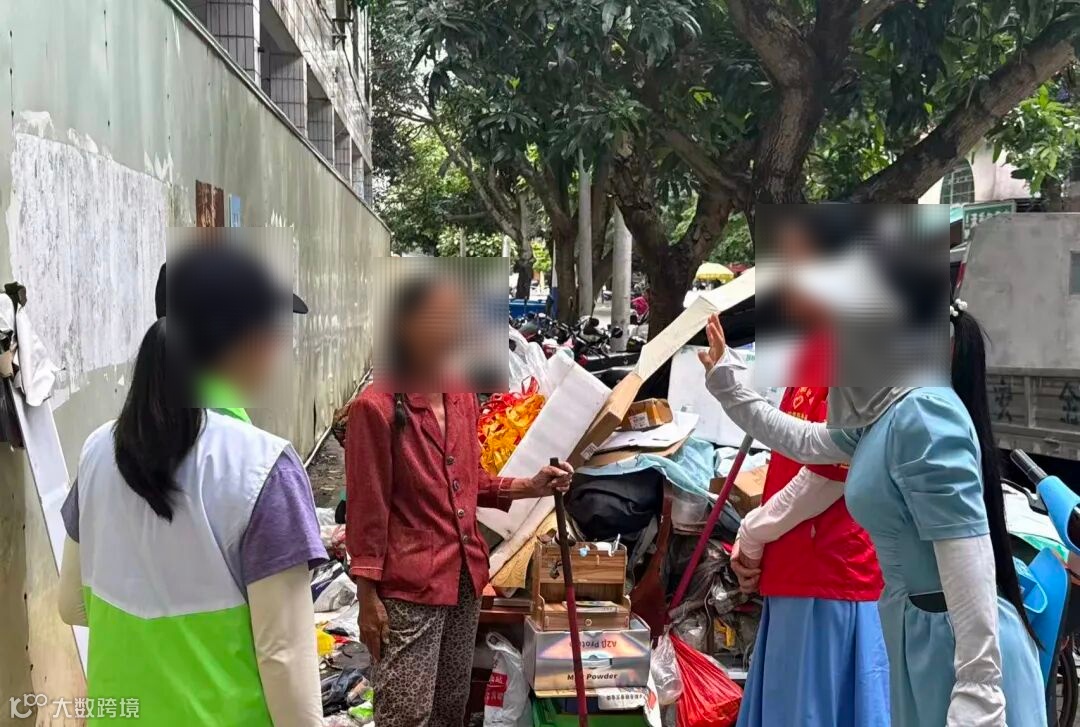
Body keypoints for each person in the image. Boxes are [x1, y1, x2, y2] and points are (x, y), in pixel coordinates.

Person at [701, 305, 1044, 727]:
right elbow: (803, 440)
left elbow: (968, 559)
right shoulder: (887, 413)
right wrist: (728, 387)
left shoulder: (924, 416)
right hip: (917, 632)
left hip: (952, 644)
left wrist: (979, 693)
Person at [58, 245, 327, 726]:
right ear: (247, 342)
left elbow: (71, 605)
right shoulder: (264, 469)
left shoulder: (98, 450)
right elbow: (284, 659)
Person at [345, 275, 573, 727]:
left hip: (465, 577)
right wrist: (366, 598)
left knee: (451, 705)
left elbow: (469, 481)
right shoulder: (376, 407)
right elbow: (367, 511)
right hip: (409, 589)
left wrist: (531, 485)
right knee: (406, 713)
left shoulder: (461, 394)